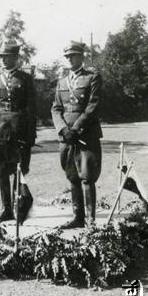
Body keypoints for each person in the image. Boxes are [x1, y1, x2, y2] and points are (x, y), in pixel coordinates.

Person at [51, 41, 102, 229]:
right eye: (67, 56)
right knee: (72, 176)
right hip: (66, 137)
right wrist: (63, 129)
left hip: (85, 135)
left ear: (82, 57)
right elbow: (56, 108)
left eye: (73, 55)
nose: (69, 59)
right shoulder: (62, 81)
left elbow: (92, 107)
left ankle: (91, 221)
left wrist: (76, 128)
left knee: (87, 177)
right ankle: (77, 217)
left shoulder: (92, 77)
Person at [0, 43, 37, 222]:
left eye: (7, 56)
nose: (3, 60)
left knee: (18, 169)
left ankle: (19, 207)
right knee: (1, 171)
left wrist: (31, 135)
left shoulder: (25, 78)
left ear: (15, 57)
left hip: (19, 130)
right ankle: (6, 209)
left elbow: (31, 108)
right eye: (2, 57)